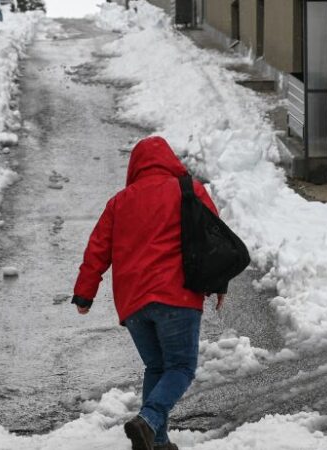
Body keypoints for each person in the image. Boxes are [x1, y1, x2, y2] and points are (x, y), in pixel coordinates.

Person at [71, 136, 225, 450]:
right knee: (181, 367)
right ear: (170, 161)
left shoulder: (119, 201)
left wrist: (85, 293)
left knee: (157, 367)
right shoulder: (188, 190)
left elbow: (97, 249)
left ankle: (156, 441)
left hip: (134, 305)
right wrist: (219, 282)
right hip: (177, 297)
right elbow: (214, 239)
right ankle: (149, 420)